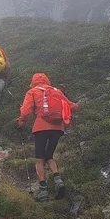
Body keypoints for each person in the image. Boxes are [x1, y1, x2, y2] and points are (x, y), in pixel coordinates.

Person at [17, 73, 77, 202]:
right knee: (49, 155)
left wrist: (21, 122)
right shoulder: (57, 91)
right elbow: (72, 106)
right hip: (58, 128)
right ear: (47, 81)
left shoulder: (32, 92)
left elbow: (26, 110)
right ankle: (58, 180)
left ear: (33, 82)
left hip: (41, 128)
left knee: (39, 158)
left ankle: (43, 191)